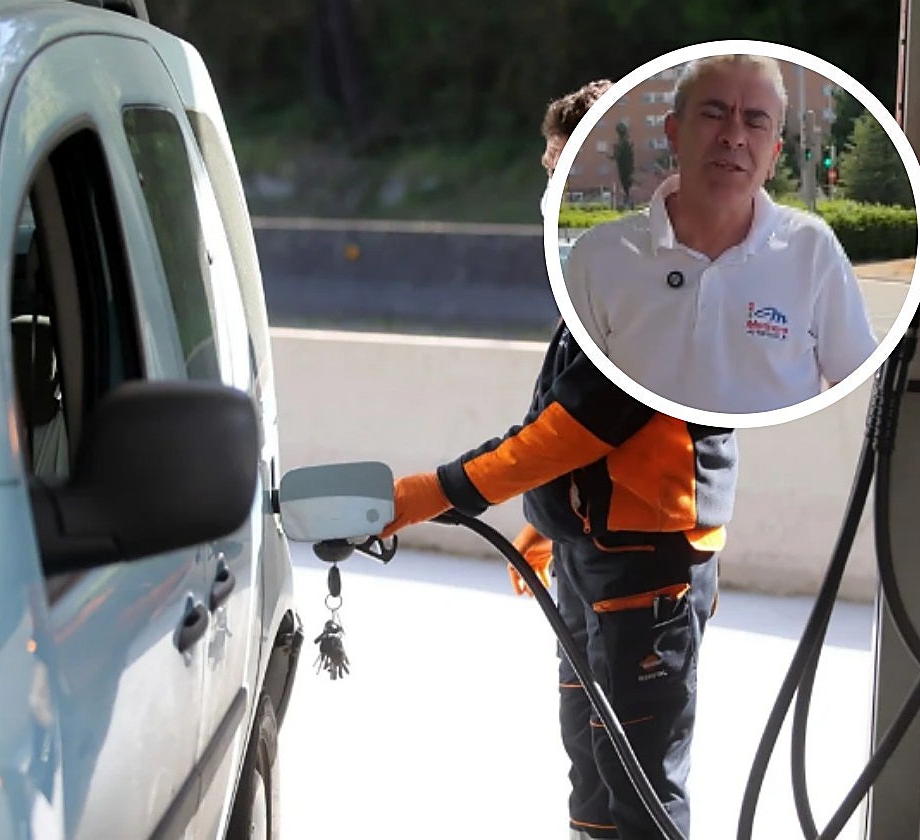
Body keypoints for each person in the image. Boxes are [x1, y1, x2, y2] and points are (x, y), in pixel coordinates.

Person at [381, 80, 737, 840]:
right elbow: (560, 414)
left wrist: (432, 493)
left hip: (647, 566)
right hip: (594, 555)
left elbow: (578, 426)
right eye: (548, 175)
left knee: (639, 783)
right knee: (594, 768)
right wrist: (550, 524)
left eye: (564, 175)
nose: (550, 196)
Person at [563, 55, 878, 415]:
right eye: (714, 114)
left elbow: (856, 384)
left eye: (755, 121)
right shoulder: (599, 256)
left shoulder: (812, 249)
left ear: (774, 155)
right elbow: (571, 406)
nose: (733, 137)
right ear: (674, 133)